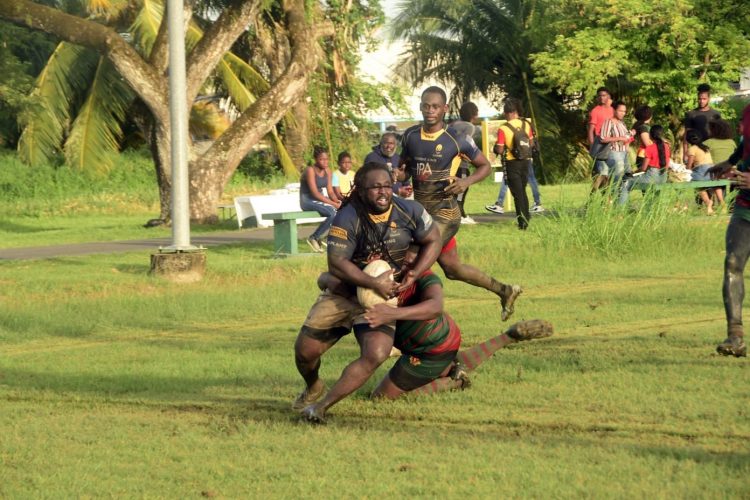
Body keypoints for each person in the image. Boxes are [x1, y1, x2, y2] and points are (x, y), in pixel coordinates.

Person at [293, 162, 443, 423]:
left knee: (376, 353)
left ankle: (321, 407)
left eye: (386, 185)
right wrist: (372, 283)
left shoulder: (410, 210)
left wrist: (414, 273)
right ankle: (313, 386)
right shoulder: (347, 217)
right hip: (344, 293)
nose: (382, 192)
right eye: (374, 187)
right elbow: (336, 263)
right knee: (305, 353)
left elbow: (434, 239)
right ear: (361, 190)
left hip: (381, 299)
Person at [318, 246, 554, 402]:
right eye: (406, 253)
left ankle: (454, 380)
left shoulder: (426, 277)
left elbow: (436, 306)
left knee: (381, 398)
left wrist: (392, 315)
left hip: (430, 348)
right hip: (440, 337)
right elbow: (325, 279)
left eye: (416, 255)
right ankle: (503, 339)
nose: (410, 259)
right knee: (440, 359)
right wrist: (340, 283)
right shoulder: (382, 273)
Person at [395, 86, 523, 321]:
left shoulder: (457, 139)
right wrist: (397, 176)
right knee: (453, 269)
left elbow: (484, 165)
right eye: (426, 106)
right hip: (421, 213)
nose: (430, 111)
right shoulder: (410, 136)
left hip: (446, 213)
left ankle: (399, 319)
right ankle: (506, 291)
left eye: (435, 106)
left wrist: (465, 182)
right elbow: (405, 170)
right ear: (421, 106)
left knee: (411, 258)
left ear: (444, 109)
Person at [708, 104, 750, 357]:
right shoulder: (747, 111)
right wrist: (728, 163)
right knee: (733, 262)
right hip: (745, 206)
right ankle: (735, 336)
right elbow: (746, 148)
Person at [486, 98, 535, 229]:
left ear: (509, 113)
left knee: (517, 194)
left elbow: (500, 149)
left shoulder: (504, 128)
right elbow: (531, 144)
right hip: (525, 161)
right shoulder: (526, 125)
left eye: (506, 113)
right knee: (522, 191)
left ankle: (523, 223)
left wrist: (496, 148)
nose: (505, 116)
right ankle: (527, 216)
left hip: (511, 163)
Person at [300, 146, 340, 253]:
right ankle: (314, 237)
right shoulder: (310, 170)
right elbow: (315, 193)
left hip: (320, 200)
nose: (325, 162)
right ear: (316, 159)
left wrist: (337, 201)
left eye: (326, 159)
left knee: (341, 212)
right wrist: (333, 204)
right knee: (332, 212)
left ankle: (324, 237)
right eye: (321, 159)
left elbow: (330, 192)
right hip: (307, 200)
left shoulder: (328, 171)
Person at [618, 125, 670, 205]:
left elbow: (643, 169)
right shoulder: (666, 147)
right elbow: (666, 165)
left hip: (651, 177)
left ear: (650, 135)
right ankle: (654, 207)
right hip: (663, 177)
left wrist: (633, 173)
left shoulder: (650, 148)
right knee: (652, 187)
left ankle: (620, 208)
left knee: (626, 181)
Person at [449, 101, 481, 225]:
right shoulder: (469, 127)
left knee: (453, 190)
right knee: (461, 189)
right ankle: (460, 216)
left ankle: (456, 214)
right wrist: (470, 157)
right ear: (473, 114)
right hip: (461, 164)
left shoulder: (453, 124)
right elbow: (465, 144)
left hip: (450, 163)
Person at [364, 132, 412, 198]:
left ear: (396, 145)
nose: (388, 146)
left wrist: (408, 188)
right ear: (381, 144)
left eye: (391, 143)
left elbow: (404, 179)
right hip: (380, 197)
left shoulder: (398, 158)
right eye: (386, 143)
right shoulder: (371, 158)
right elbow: (370, 181)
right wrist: (396, 191)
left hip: (399, 198)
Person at [683, 83, 722, 163]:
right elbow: (686, 135)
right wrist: (685, 153)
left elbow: (720, 134)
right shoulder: (691, 114)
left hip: (712, 149)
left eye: (704, 99)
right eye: (699, 99)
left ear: (709, 99)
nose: (701, 101)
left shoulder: (716, 114)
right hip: (696, 151)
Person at [686, 130, 722, 214]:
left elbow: (689, 166)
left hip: (702, 171)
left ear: (688, 139)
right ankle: (718, 204)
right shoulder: (705, 147)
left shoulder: (692, 149)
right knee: (712, 184)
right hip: (712, 171)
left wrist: (686, 169)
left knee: (696, 185)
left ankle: (707, 202)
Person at [598, 100, 634, 188]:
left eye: (624, 111)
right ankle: (614, 197)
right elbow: (603, 138)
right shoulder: (609, 122)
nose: (623, 113)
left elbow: (625, 137)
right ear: (614, 110)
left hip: (624, 153)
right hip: (614, 153)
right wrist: (619, 138)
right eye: (620, 111)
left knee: (628, 176)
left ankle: (621, 198)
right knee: (617, 178)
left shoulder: (622, 123)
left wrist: (630, 134)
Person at [588, 87, 614, 191]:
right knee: (601, 174)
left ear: (608, 97)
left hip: (612, 144)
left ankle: (606, 201)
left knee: (609, 175)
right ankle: (593, 200)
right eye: (599, 96)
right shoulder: (595, 111)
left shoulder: (613, 110)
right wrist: (592, 146)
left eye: (604, 95)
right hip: (600, 145)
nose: (601, 98)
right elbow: (591, 130)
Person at [632, 105, 654, 171]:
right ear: (650, 116)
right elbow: (647, 143)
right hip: (643, 155)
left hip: (643, 155)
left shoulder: (639, 125)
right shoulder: (644, 127)